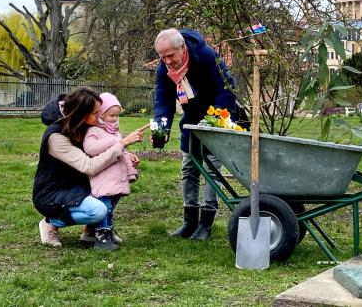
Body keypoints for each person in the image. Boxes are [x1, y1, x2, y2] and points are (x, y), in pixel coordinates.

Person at [154, 28, 241, 241]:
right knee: (188, 169)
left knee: (211, 170)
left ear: (182, 47)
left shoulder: (206, 56)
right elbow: (162, 100)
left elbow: (226, 88)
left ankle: (206, 224)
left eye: (170, 55)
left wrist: (214, 120)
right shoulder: (164, 69)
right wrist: (160, 128)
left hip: (216, 118)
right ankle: (189, 222)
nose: (166, 61)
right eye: (162, 56)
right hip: (191, 120)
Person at [33, 87, 145, 251]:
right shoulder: (56, 136)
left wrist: (125, 155)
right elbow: (89, 166)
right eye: (95, 113)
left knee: (113, 180)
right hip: (53, 191)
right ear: (80, 114)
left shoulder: (82, 125)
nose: (98, 116)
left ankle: (91, 230)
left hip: (78, 184)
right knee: (98, 210)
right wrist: (122, 144)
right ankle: (50, 222)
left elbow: (102, 147)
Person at [79, 92, 140, 249]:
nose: (114, 119)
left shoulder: (114, 132)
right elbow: (90, 148)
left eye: (117, 116)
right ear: (100, 114)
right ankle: (102, 236)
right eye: (111, 115)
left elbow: (118, 149)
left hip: (115, 177)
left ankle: (107, 231)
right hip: (103, 177)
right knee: (104, 206)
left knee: (111, 206)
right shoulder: (94, 131)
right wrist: (117, 141)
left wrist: (129, 156)